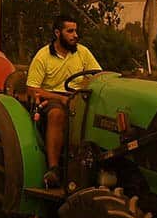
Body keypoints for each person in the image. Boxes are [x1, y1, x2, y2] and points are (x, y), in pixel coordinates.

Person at [25, 13, 101, 188]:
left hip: (79, 97)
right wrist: (61, 98)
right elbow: (31, 89)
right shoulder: (43, 56)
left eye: (76, 31)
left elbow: (97, 75)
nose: (75, 35)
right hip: (52, 98)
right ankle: (53, 169)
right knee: (57, 114)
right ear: (58, 33)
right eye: (70, 31)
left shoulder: (83, 52)